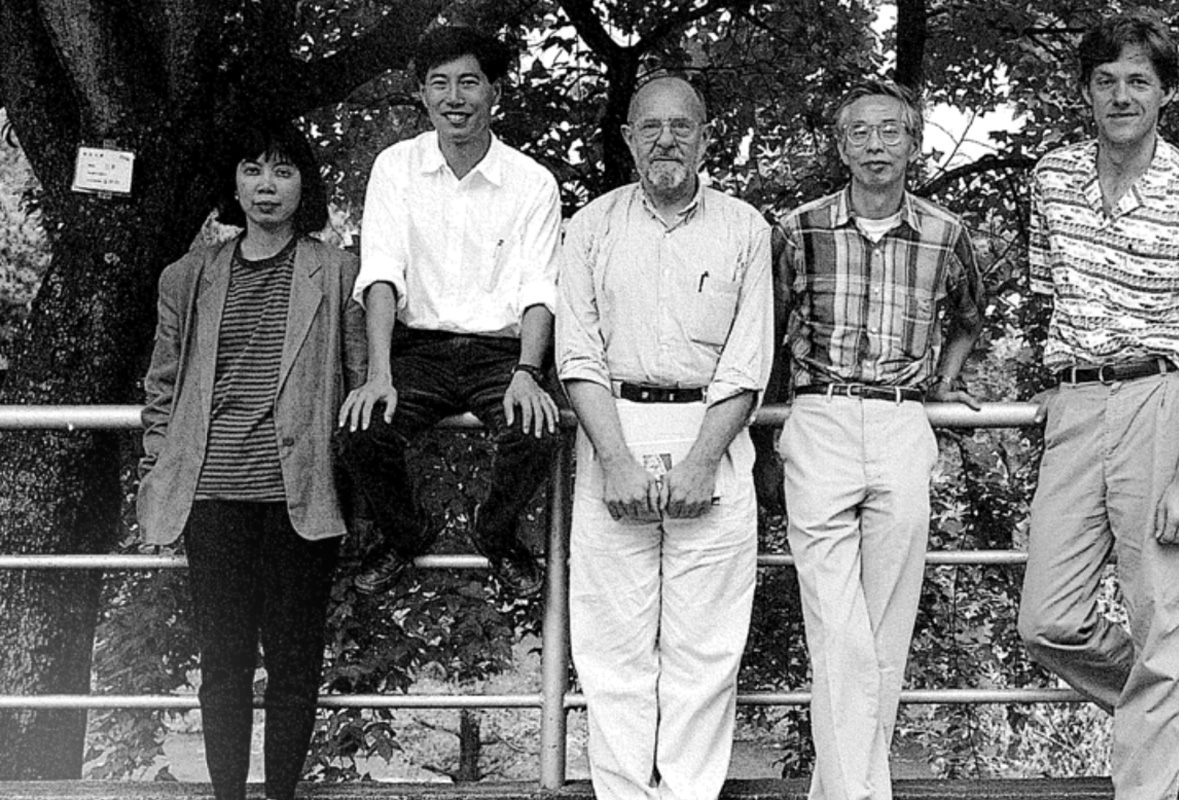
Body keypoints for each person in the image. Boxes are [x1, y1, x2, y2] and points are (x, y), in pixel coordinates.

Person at [1016, 12, 1179, 800]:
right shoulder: (1052, 179)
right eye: (1106, 81)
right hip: (1078, 404)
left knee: (1162, 627)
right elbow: (1049, 298)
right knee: (1047, 620)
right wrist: (1057, 392)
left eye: (1139, 82)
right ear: (1086, 91)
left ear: (1166, 93)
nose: (1121, 95)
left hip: (1163, 397)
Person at [556, 74, 772, 800]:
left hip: (711, 436)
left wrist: (703, 458)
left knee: (704, 650)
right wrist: (614, 459)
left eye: (682, 126)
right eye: (650, 127)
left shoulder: (745, 228)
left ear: (707, 137)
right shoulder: (590, 226)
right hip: (612, 431)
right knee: (613, 649)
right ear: (627, 139)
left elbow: (749, 358)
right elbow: (577, 352)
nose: (666, 140)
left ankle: (687, 794)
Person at [138, 122, 365, 800]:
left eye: (284, 171)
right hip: (212, 496)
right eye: (253, 170)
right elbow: (161, 386)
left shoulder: (338, 270)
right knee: (224, 664)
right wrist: (159, 466)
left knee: (296, 664)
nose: (267, 186)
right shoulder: (189, 275)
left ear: (306, 185)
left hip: (301, 494)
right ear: (234, 184)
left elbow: (359, 374)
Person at [771, 78, 983, 800]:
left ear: (913, 143)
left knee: (886, 622)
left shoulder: (945, 233)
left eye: (890, 131)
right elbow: (768, 331)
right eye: (859, 133)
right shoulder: (798, 229)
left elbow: (969, 317)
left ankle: (846, 791)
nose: (875, 146)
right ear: (840, 145)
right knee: (837, 620)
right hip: (820, 414)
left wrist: (945, 380)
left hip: (900, 417)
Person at [336, 25, 562, 596]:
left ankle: (496, 533)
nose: (454, 98)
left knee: (536, 431)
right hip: (418, 351)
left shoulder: (533, 182)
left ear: (495, 93)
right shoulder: (395, 167)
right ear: (422, 93)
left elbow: (540, 288)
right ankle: (407, 535)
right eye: (440, 84)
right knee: (360, 431)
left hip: (501, 354)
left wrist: (528, 373)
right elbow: (380, 273)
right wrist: (378, 373)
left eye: (469, 82)